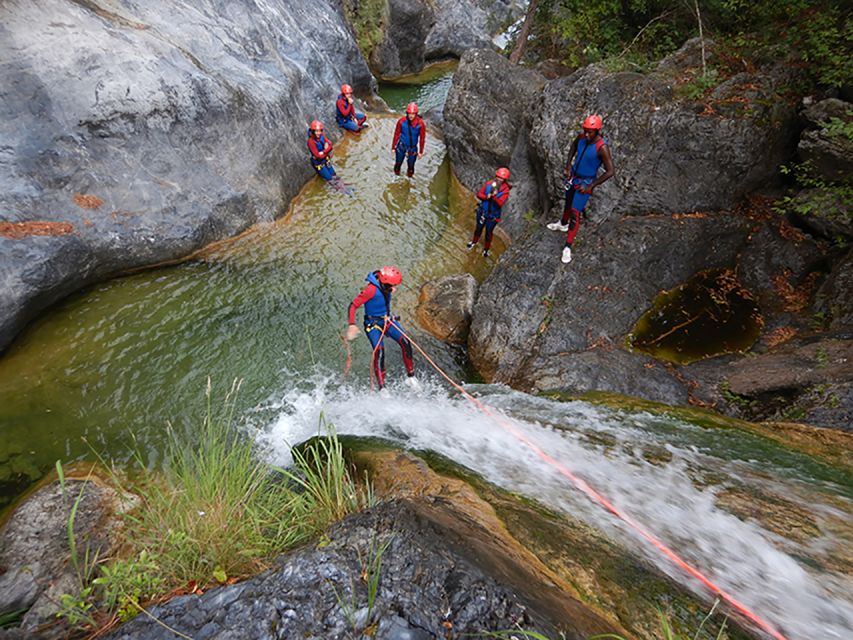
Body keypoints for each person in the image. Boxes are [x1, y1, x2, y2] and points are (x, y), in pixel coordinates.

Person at [546, 114, 614, 264]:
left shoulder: (602, 147)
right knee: (567, 203)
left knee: (575, 213)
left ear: (597, 131)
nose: (587, 134)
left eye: (591, 131)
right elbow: (573, 147)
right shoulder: (581, 138)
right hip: (573, 177)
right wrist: (568, 165)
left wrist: (591, 186)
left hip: (585, 182)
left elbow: (610, 171)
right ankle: (563, 224)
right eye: (586, 130)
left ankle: (568, 246)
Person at [346, 266, 418, 390]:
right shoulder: (370, 290)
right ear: (383, 283)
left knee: (405, 342)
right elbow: (353, 305)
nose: (392, 288)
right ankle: (382, 388)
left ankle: (411, 377)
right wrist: (352, 325)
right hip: (373, 324)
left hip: (387, 320)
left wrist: (389, 289)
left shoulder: (385, 286)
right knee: (380, 352)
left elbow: (385, 293)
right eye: (390, 286)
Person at [467, 167, 512, 258]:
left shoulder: (505, 191)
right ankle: (474, 242)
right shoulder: (489, 184)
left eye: (501, 178)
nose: (499, 179)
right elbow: (479, 194)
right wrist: (486, 197)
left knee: (488, 232)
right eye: (498, 177)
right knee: (478, 228)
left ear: (505, 180)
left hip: (492, 216)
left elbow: (500, 203)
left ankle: (486, 250)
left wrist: (494, 197)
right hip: (483, 212)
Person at [392, 102, 426, 177]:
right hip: (401, 146)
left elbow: (422, 138)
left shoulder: (420, 124)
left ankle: (409, 181)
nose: (411, 115)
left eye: (413, 114)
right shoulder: (401, 121)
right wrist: (393, 147)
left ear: (416, 114)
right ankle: (396, 178)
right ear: (407, 113)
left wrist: (420, 152)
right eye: (409, 113)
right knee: (397, 165)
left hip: (412, 149)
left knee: (411, 168)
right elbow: (396, 134)